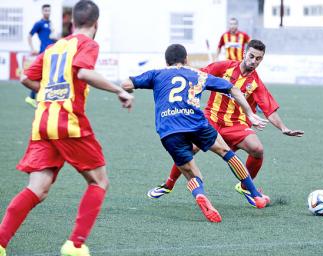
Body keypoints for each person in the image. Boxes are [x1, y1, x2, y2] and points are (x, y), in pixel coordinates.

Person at [0, 1, 133, 256]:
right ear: (96, 24)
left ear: (72, 23)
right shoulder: (88, 44)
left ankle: (0, 241)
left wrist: (49, 92)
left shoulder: (53, 47)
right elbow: (83, 73)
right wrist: (119, 90)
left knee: (37, 188)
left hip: (42, 124)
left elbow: (26, 77)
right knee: (99, 181)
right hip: (68, 123)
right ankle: (75, 244)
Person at [121, 43, 270, 223]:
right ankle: (256, 195)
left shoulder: (156, 74)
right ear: (186, 60)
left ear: (166, 61)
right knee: (227, 153)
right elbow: (232, 88)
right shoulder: (197, 75)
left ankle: (200, 194)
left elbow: (127, 84)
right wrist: (250, 113)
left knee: (193, 174)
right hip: (196, 124)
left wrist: (127, 93)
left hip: (169, 131)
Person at [147, 40, 304, 207]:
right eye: (251, 56)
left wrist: (283, 128)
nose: (254, 61)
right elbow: (198, 75)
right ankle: (168, 185)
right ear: (244, 53)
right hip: (211, 119)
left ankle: (245, 187)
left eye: (258, 59)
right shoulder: (224, 67)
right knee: (189, 149)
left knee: (257, 149)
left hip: (236, 124)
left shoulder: (256, 83)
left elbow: (269, 109)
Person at [25, 4, 56, 108]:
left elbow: (51, 37)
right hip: (44, 53)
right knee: (42, 76)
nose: (47, 12)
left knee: (46, 76)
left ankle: (35, 97)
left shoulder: (50, 23)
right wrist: (32, 48)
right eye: (46, 10)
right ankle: (32, 97)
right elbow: (29, 35)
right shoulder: (39, 23)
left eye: (49, 10)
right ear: (42, 11)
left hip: (51, 52)